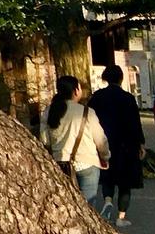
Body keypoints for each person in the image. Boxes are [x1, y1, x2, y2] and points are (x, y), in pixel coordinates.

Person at [86, 65, 144, 228]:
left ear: (105, 78)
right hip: (126, 144)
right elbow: (135, 123)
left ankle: (108, 201)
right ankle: (121, 216)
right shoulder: (128, 98)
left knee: (107, 176)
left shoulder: (97, 97)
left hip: (104, 142)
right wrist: (140, 143)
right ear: (121, 78)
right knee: (125, 182)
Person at [46, 75, 109, 206]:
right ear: (75, 90)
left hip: (60, 163)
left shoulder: (49, 111)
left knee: (66, 204)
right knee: (88, 206)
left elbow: (45, 140)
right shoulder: (86, 111)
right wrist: (105, 156)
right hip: (86, 163)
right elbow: (100, 139)